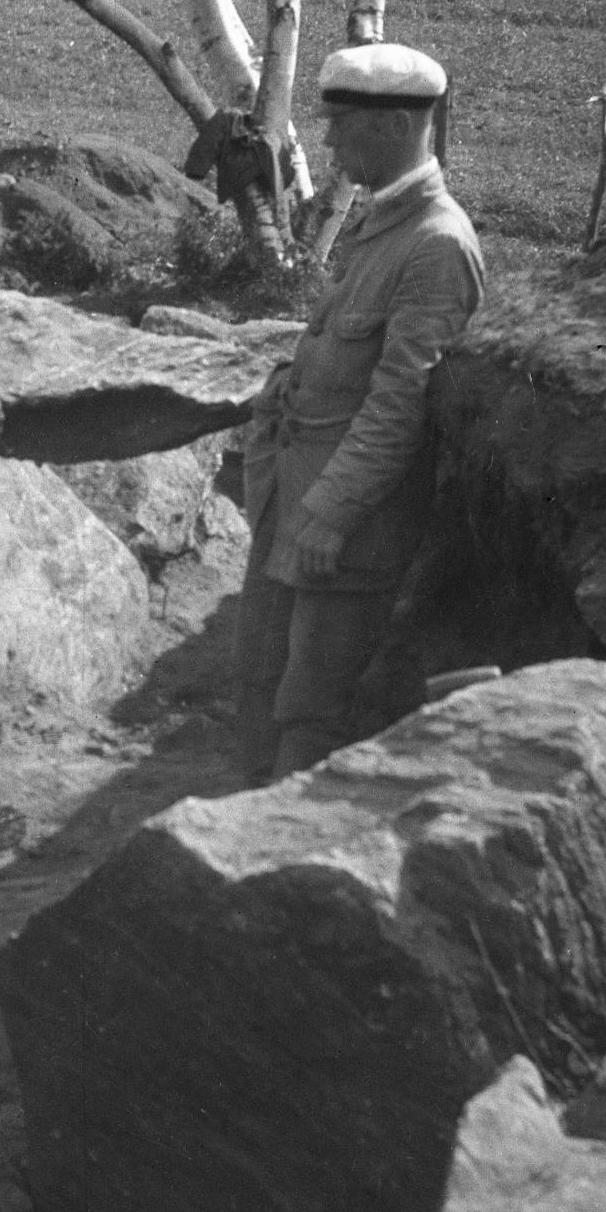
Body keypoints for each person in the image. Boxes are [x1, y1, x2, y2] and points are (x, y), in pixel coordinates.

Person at [235, 43, 485, 784]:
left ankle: (283, 838)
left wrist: (332, 514)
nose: (330, 141)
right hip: (297, 497)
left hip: (345, 527)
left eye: (342, 124)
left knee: (310, 710)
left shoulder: (436, 245)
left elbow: (399, 405)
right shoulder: (384, 221)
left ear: (397, 125)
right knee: (260, 680)